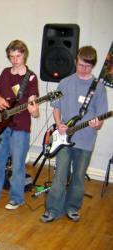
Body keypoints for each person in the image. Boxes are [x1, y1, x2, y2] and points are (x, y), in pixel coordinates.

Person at [40, 46, 108, 223]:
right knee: (60, 174)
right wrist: (59, 124)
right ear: (76, 61)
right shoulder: (65, 82)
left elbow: (100, 120)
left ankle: (72, 208)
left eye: (87, 66)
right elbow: (56, 108)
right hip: (63, 138)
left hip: (85, 141)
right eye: (81, 65)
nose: (83, 69)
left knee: (78, 176)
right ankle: (53, 209)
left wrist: (96, 124)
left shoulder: (98, 87)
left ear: (92, 65)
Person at [0, 40, 39, 210]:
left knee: (18, 164)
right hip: (2, 123)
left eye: (18, 56)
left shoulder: (31, 77)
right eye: (12, 57)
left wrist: (35, 110)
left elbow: (33, 102)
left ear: (24, 55)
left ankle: (17, 198)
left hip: (21, 126)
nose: (15, 60)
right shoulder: (5, 72)